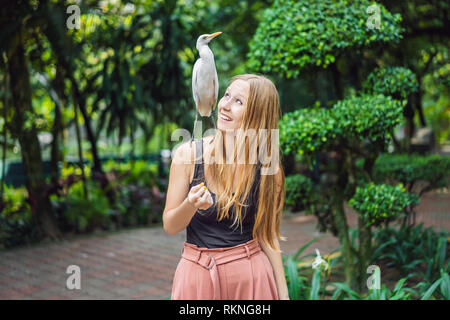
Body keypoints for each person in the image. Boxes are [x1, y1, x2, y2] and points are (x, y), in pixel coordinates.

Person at [163, 74, 289, 300]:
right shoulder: (188, 156)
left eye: (238, 102)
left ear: (257, 115)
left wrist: (284, 295)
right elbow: (171, 225)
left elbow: (267, 235)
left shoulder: (269, 171)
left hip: (251, 277)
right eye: (227, 95)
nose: (225, 106)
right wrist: (190, 204)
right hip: (198, 277)